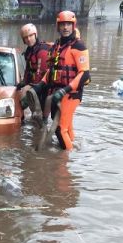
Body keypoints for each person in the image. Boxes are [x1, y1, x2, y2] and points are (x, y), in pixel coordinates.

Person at [32, 11, 90, 151]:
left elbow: (84, 74)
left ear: (73, 26)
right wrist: (41, 84)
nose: (65, 27)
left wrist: (65, 90)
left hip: (71, 93)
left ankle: (64, 162)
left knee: (59, 129)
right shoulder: (56, 46)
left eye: (68, 24)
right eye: (62, 24)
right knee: (67, 125)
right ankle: (75, 148)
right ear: (58, 26)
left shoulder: (79, 46)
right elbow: (52, 70)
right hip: (56, 92)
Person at [16, 23, 50, 127]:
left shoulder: (42, 50)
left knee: (41, 116)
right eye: (26, 37)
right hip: (34, 86)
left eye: (30, 36)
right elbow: (28, 69)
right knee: (33, 112)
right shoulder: (30, 51)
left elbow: (41, 72)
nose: (29, 39)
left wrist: (33, 88)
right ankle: (36, 128)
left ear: (35, 35)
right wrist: (24, 82)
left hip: (43, 87)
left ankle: (42, 128)